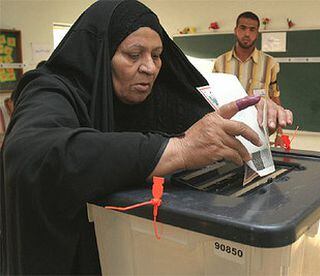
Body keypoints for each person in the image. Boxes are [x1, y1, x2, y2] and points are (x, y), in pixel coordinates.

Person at [0, 0, 293, 274]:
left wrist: (253, 113)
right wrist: (179, 149)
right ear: (103, 53)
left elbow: (204, 117)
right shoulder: (50, 89)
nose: (150, 68)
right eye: (133, 54)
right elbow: (30, 152)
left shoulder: (149, 93)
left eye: (156, 55)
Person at [213, 11, 289, 144]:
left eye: (252, 29)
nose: (247, 34)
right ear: (236, 30)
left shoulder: (270, 64)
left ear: (257, 33)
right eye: (243, 28)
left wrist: (280, 134)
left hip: (258, 133)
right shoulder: (220, 63)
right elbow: (213, 99)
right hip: (227, 134)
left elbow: (274, 98)